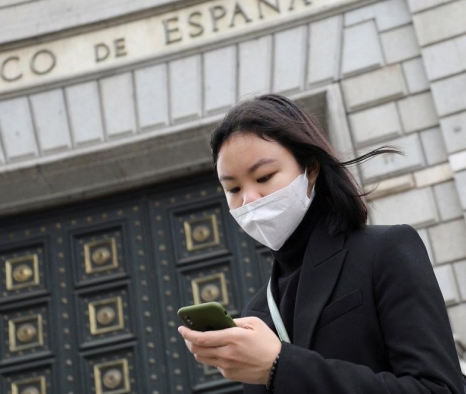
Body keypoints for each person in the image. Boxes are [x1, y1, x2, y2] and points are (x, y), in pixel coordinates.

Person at [178, 94, 466, 393]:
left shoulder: (384, 251)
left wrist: (280, 366)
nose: (249, 200)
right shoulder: (257, 315)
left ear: (311, 168)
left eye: (264, 176)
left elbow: (438, 387)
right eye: (233, 188)